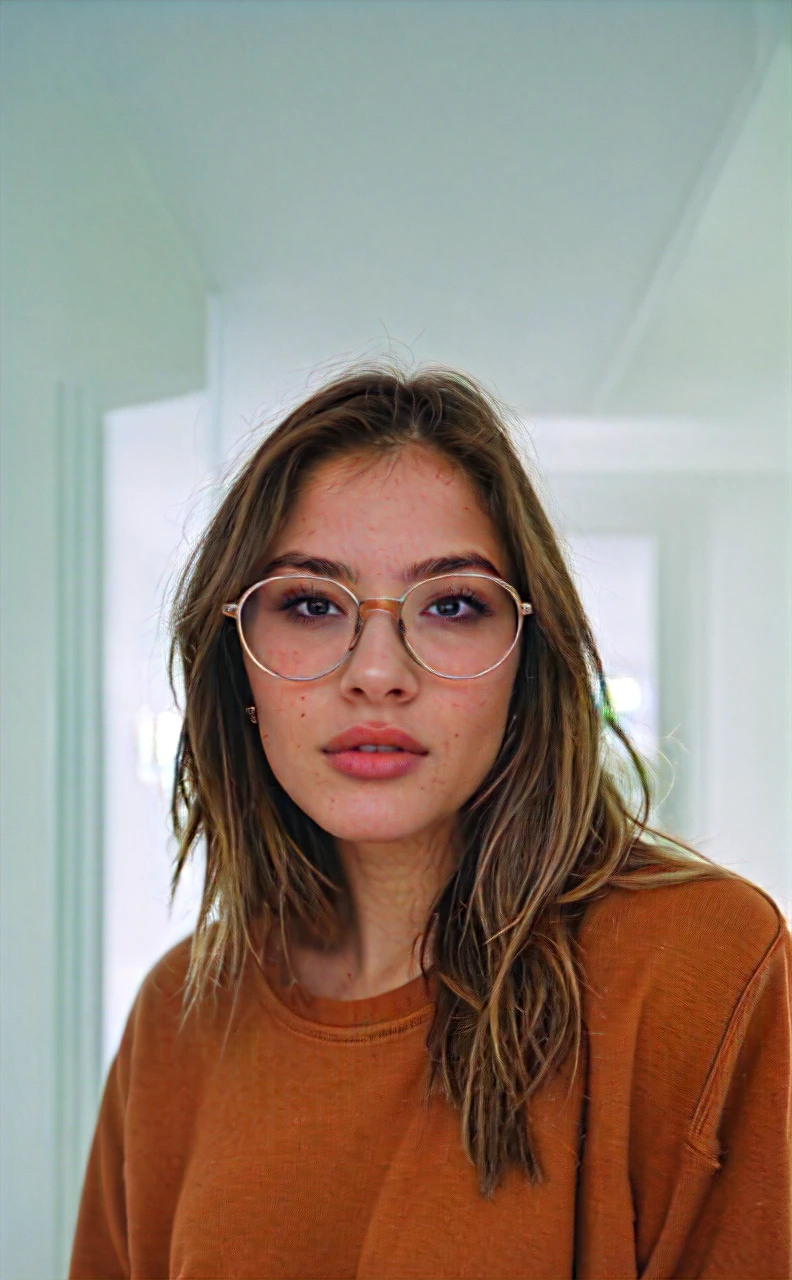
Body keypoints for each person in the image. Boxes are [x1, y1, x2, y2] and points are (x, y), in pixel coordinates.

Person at [69, 364, 791, 1279]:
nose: (377, 671)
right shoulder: (179, 1017)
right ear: (238, 669)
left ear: (526, 663)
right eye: (311, 604)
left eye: (451, 605)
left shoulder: (700, 966)